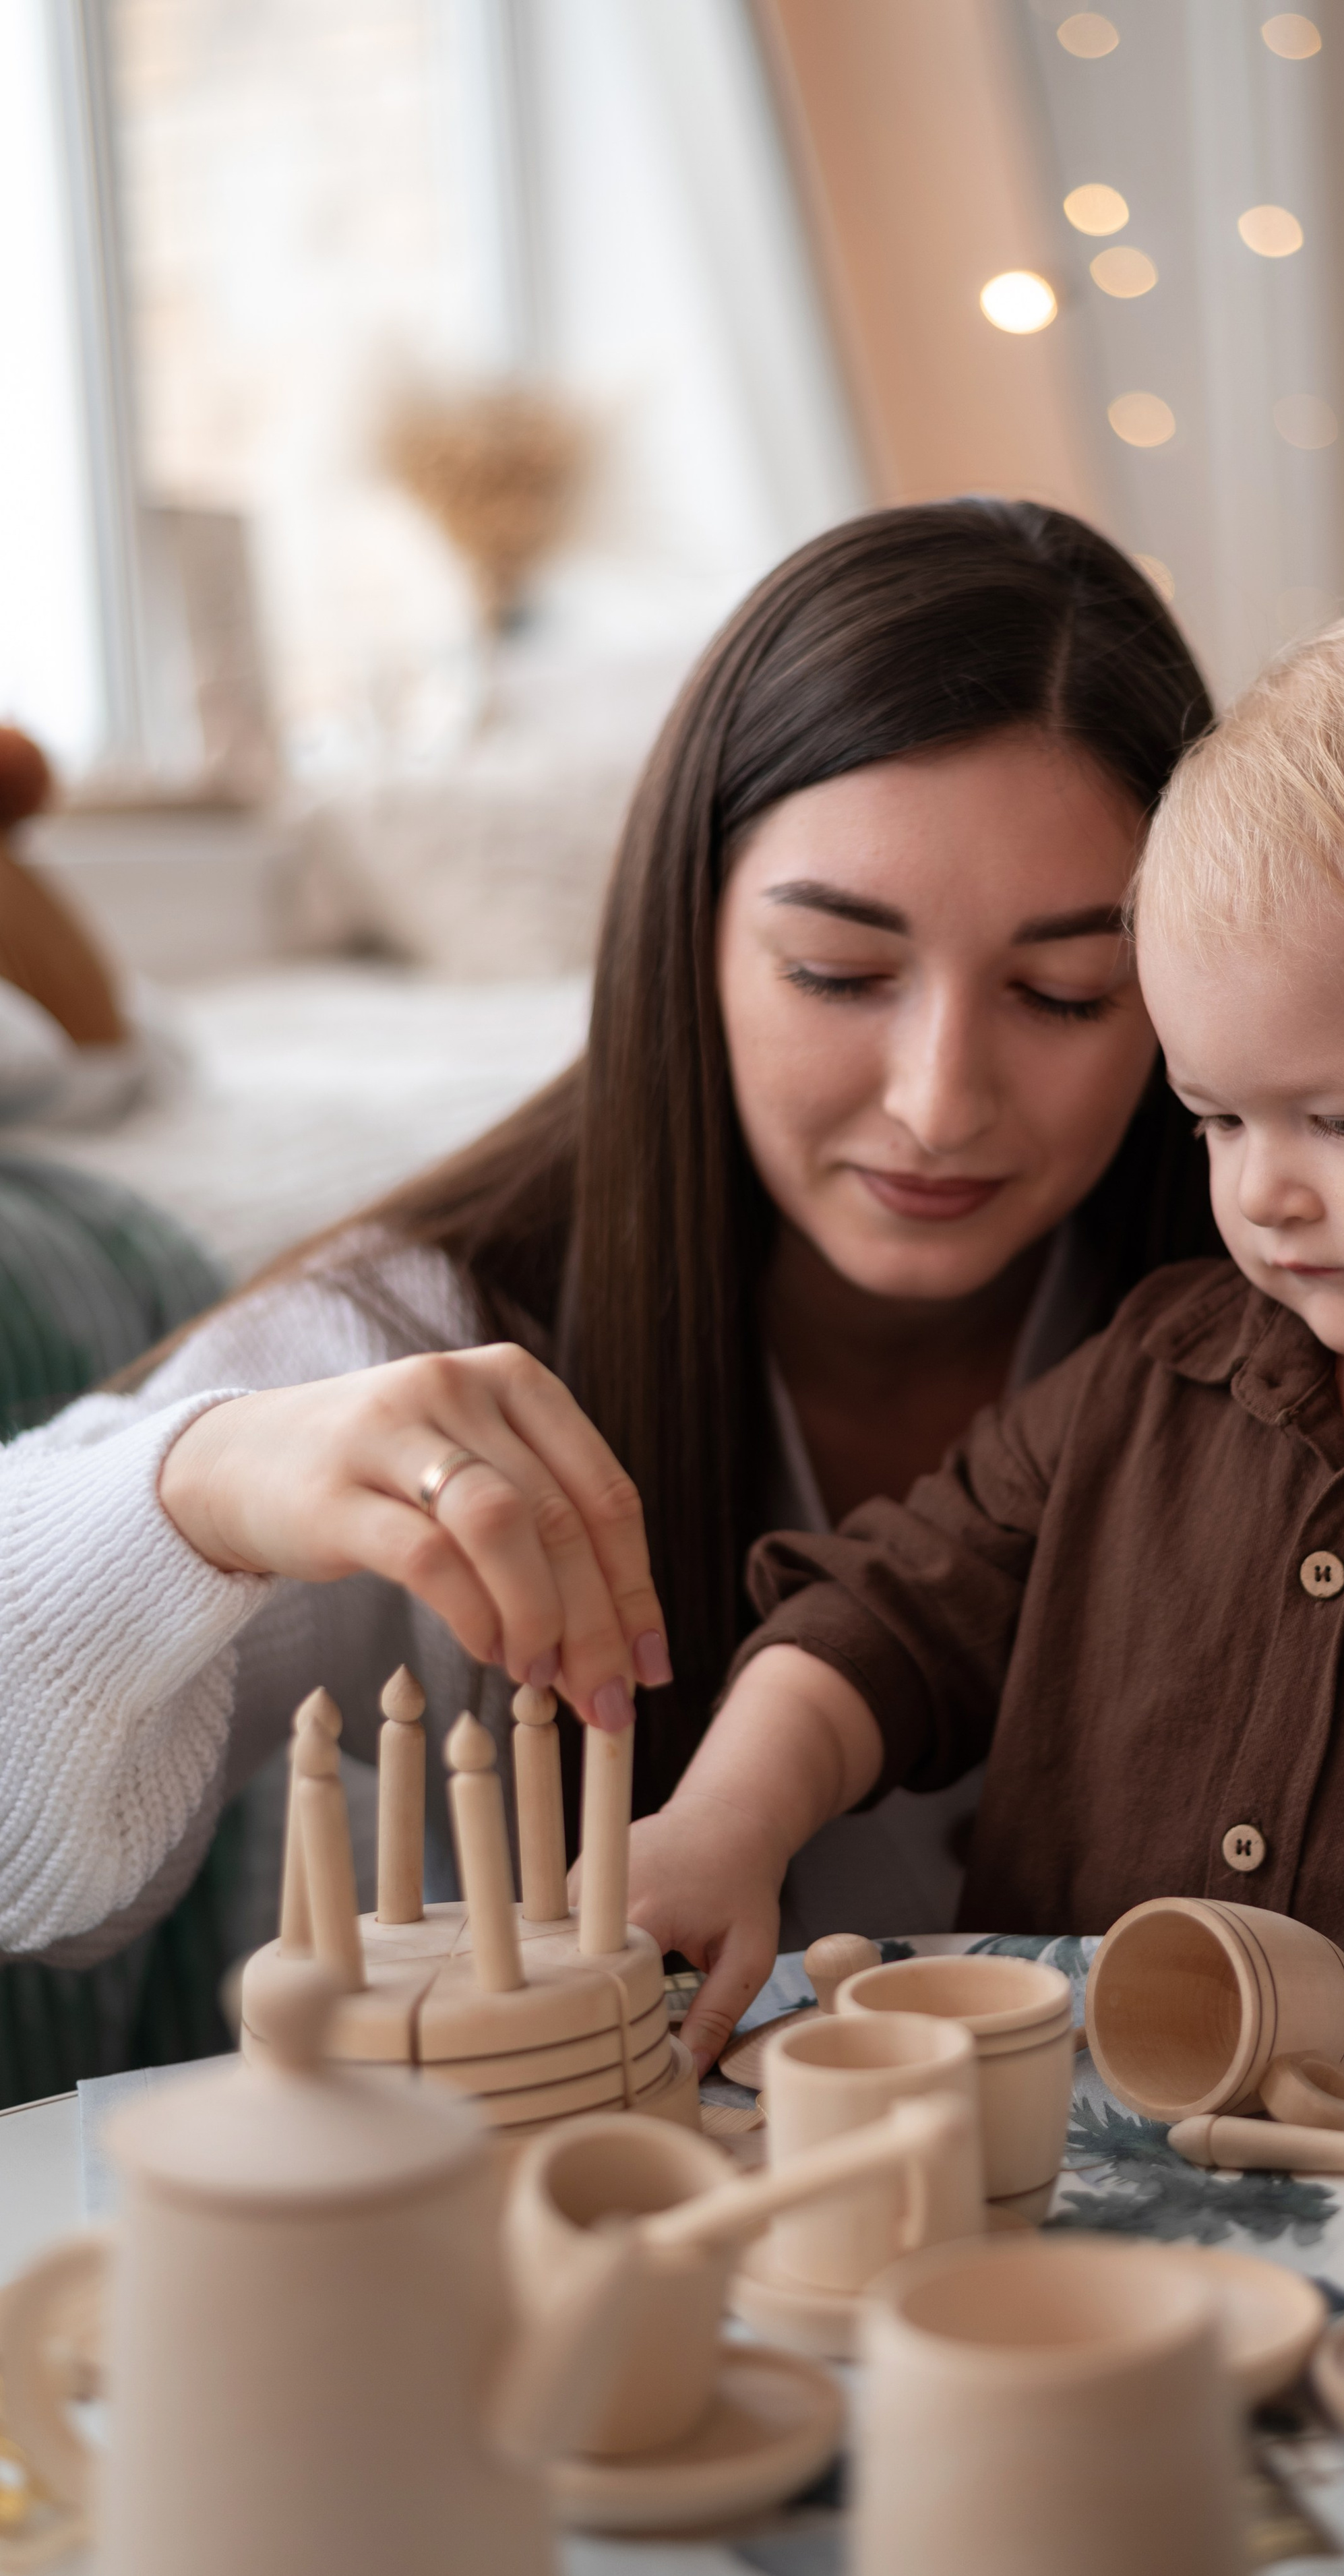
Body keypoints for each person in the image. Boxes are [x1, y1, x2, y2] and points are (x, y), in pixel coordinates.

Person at [622, 590, 1344, 2234]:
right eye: (1212, 1115)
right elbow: (886, 1611)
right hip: (1044, 2196)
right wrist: (721, 1819)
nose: (1259, 1192)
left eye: (1337, 1119)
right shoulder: (1152, 1369)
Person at [0, 499, 1222, 1969]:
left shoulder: (1290, 1329)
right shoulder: (422, 1329)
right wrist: (202, 1482)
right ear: (684, 931)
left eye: (1067, 993)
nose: (937, 1101)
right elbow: (44, 1893)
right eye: (837, 973)